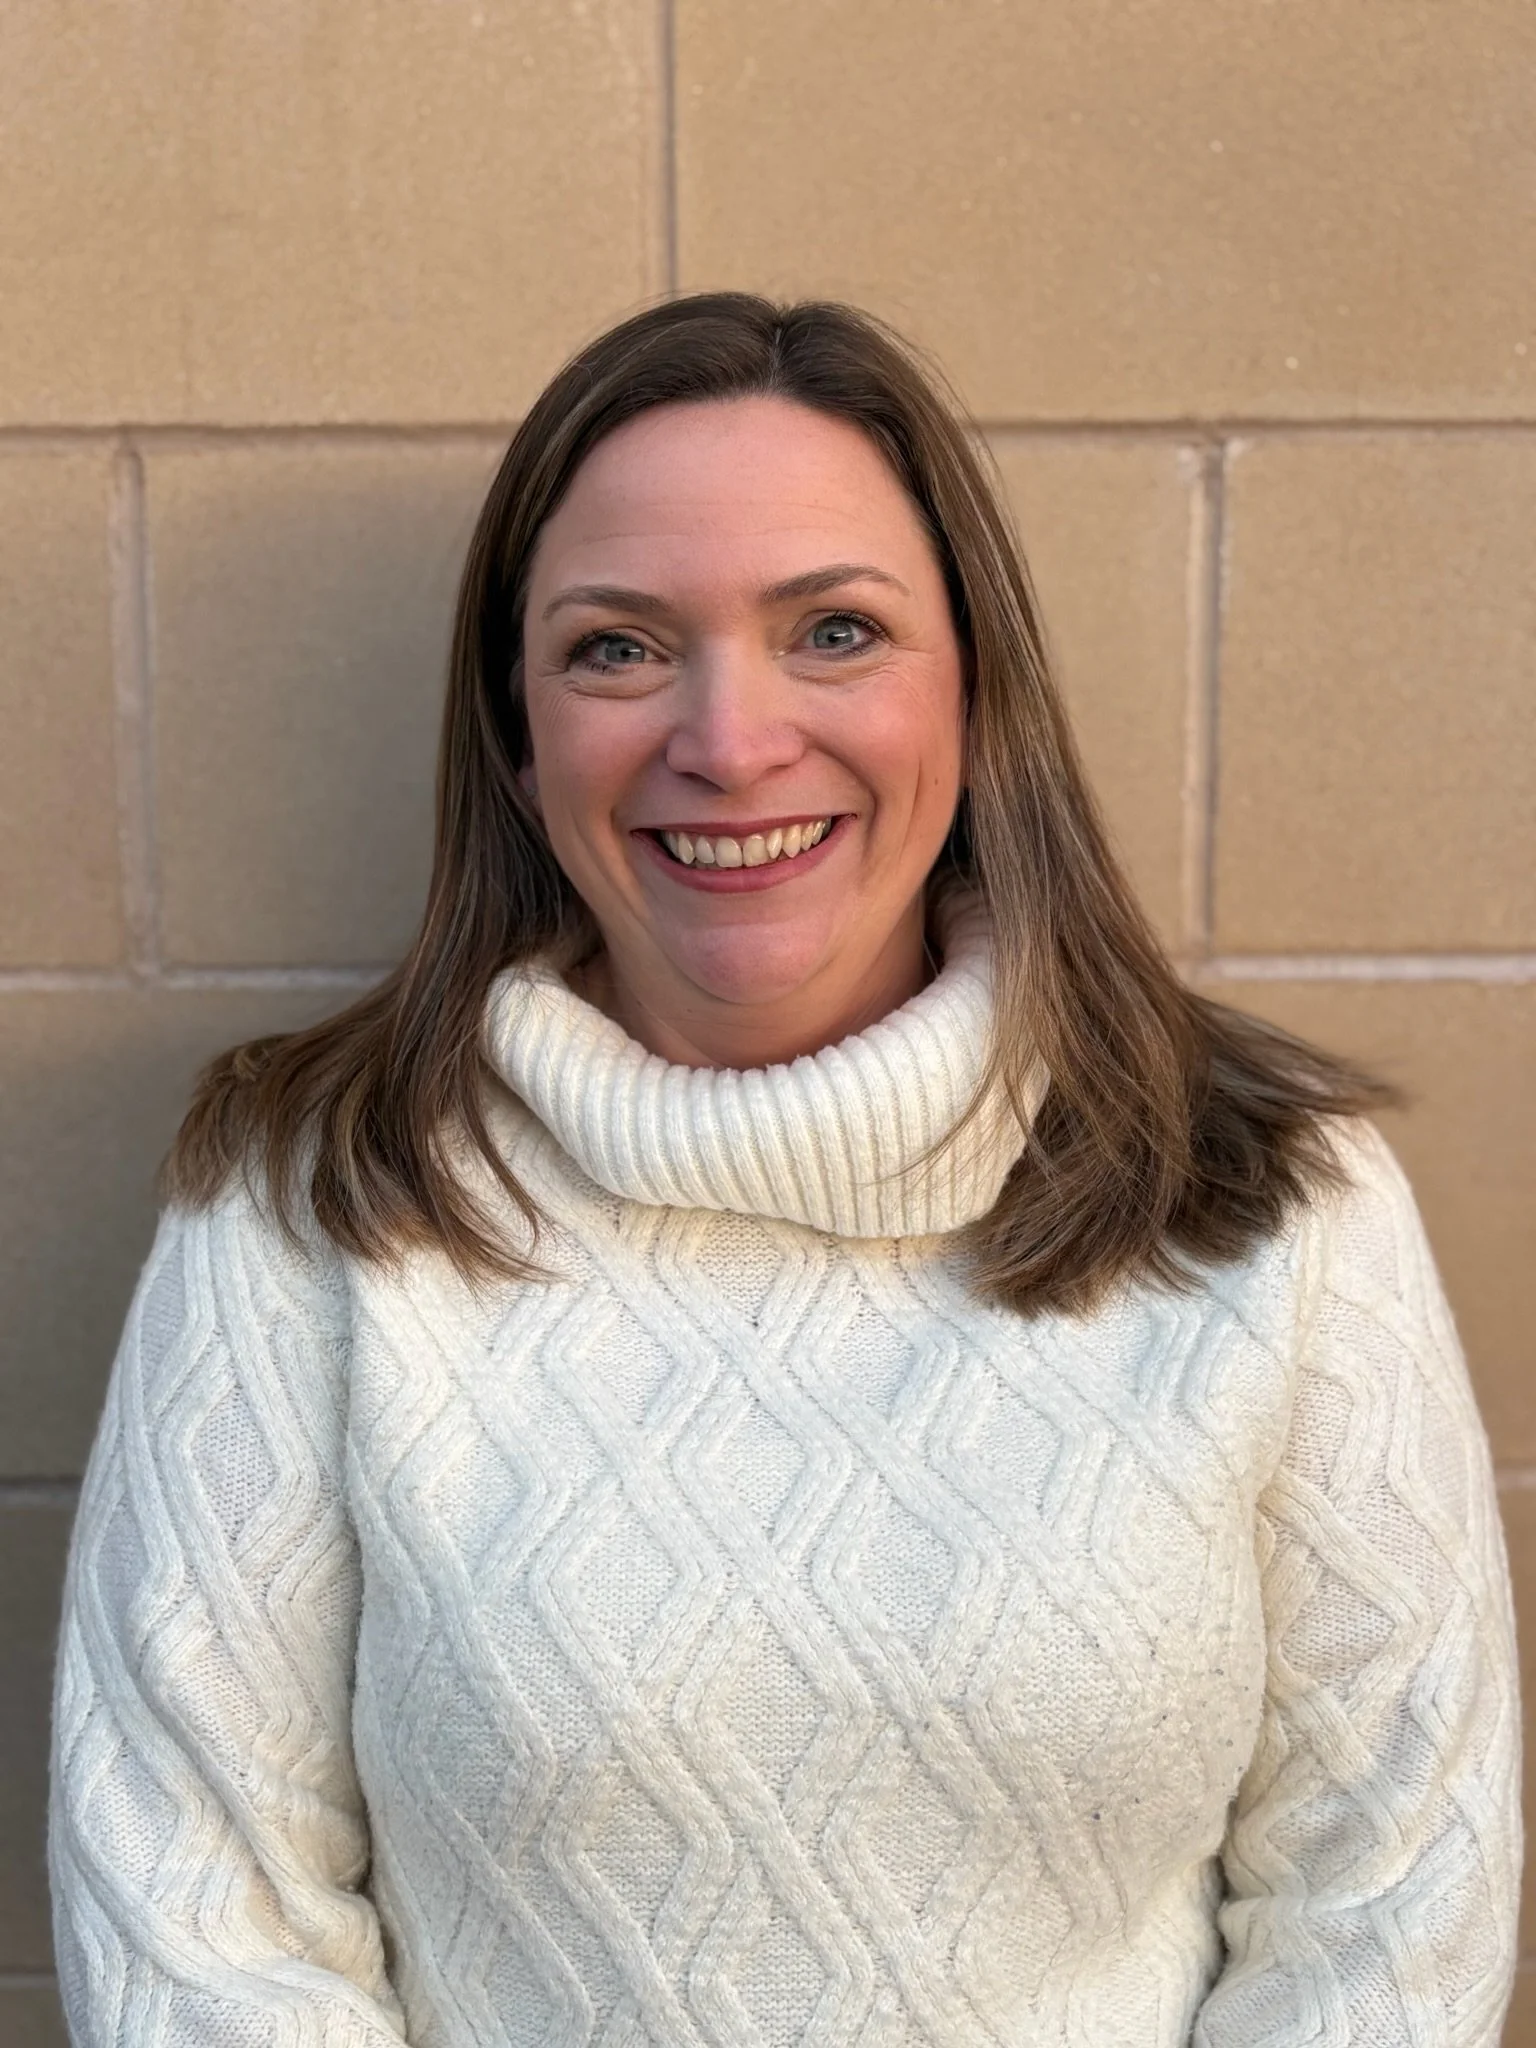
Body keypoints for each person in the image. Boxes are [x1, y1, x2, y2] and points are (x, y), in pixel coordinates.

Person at [50, 294, 1519, 2047]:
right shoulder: (309, 1206)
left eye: (834, 631)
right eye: (617, 648)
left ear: (977, 698)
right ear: (519, 743)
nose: (731, 741)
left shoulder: (1275, 1197)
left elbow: (1388, 1908)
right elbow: (204, 1925)